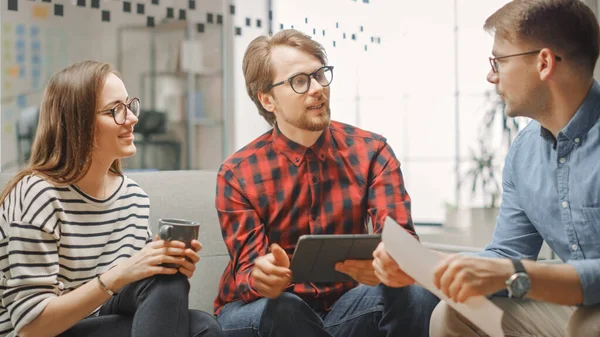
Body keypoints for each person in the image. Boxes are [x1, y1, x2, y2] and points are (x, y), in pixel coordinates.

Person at [373, 1, 600, 336]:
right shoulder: (524, 154)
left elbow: (510, 269)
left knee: (588, 325)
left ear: (544, 62)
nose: (491, 75)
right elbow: (507, 254)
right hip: (579, 306)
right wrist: (426, 265)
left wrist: (513, 273)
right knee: (454, 315)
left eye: (499, 61)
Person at [213, 29, 439, 337]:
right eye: (300, 81)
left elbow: (402, 242)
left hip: (345, 306)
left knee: (415, 294)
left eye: (321, 75)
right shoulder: (238, 173)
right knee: (284, 307)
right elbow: (248, 272)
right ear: (268, 99)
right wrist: (263, 277)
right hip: (260, 310)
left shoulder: (372, 152)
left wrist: (391, 262)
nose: (318, 88)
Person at [0, 61, 223, 337]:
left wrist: (163, 264)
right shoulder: (36, 194)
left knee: (191, 310)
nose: (132, 118)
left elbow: (145, 292)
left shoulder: (133, 198)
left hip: (105, 321)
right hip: (47, 331)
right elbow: (31, 327)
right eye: (115, 110)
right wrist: (121, 274)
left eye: (130, 106)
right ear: (77, 123)